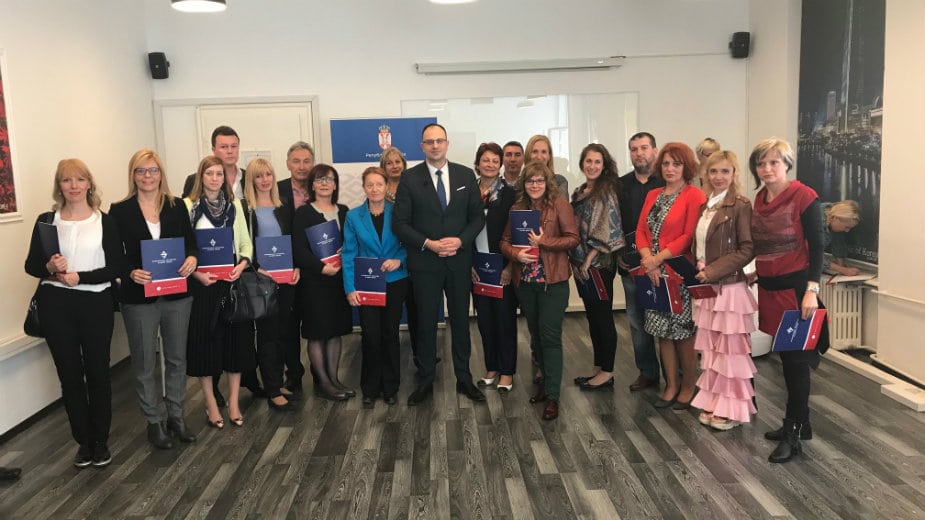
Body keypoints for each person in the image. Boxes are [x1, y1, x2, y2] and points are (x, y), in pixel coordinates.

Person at [24, 159, 123, 468]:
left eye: (80, 179)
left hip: (95, 303)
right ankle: (84, 441)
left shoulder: (104, 221)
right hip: (56, 304)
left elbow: (117, 267)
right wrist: (49, 266)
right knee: (69, 375)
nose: (74, 186)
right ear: (59, 186)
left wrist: (81, 277)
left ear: (89, 183)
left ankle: (101, 440)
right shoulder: (46, 221)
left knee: (97, 372)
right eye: (67, 180)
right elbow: (31, 265)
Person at [110, 149, 199, 449]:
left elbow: (191, 245)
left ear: (161, 174)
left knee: (177, 358)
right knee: (145, 362)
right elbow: (114, 255)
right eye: (141, 171)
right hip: (139, 298)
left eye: (153, 170)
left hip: (177, 294)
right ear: (132, 175)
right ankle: (153, 421)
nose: (147, 176)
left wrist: (192, 259)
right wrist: (129, 272)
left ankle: (176, 416)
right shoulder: (120, 210)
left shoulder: (176, 206)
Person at [393, 123, 486, 406]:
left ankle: (464, 378)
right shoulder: (409, 178)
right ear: (422, 146)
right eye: (429, 142)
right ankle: (425, 380)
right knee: (425, 324)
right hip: (425, 263)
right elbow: (400, 224)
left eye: (439, 141)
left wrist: (460, 241)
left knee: (460, 322)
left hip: (458, 262)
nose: (435, 146)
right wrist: (429, 244)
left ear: (447, 143)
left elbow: (477, 218)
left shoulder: (465, 175)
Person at [749, 137, 830, 463]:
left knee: (796, 365)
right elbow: (764, 245)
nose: (767, 168)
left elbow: (818, 247)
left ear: (786, 164)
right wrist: (754, 273)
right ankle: (802, 423)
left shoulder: (804, 196)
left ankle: (793, 433)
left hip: (796, 293)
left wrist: (812, 290)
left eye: (774, 162)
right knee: (785, 360)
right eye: (761, 163)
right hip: (770, 289)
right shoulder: (759, 199)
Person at [181, 126, 264, 403]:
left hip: (232, 279)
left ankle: (241, 392)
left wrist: (243, 263)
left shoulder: (239, 196)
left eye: (233, 146)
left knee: (238, 341)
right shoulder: (187, 205)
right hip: (203, 283)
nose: (215, 178)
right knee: (207, 340)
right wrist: (197, 273)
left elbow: (245, 240)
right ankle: (212, 396)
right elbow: (185, 243)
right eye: (210, 173)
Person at [501, 162, 579, 420]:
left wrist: (544, 241)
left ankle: (553, 396)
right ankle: (545, 385)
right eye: (530, 181)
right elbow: (504, 241)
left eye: (539, 180)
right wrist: (515, 254)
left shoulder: (560, 205)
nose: (534, 185)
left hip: (552, 282)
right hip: (525, 283)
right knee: (536, 337)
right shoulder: (517, 209)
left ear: (547, 183)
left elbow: (573, 239)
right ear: (524, 184)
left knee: (550, 337)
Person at [687, 150, 758, 431]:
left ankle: (731, 409)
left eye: (725, 171)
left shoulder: (740, 205)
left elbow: (747, 249)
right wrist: (698, 266)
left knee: (730, 353)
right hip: (708, 286)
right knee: (713, 352)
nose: (719, 177)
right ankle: (715, 402)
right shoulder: (705, 205)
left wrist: (713, 270)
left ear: (734, 174)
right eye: (714, 171)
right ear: (706, 173)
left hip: (728, 287)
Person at [636, 142, 707, 410]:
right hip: (652, 274)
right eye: (665, 163)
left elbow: (688, 236)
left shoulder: (694, 195)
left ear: (686, 167)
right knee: (661, 332)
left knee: (682, 333)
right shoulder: (652, 194)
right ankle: (671, 385)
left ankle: (688, 386)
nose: (670, 169)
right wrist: (648, 261)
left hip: (678, 272)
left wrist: (657, 259)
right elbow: (641, 230)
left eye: (676, 164)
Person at [342, 167, 409, 407]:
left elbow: (409, 242)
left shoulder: (398, 212)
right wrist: (350, 288)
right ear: (363, 188)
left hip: (394, 280)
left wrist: (399, 259)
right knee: (370, 336)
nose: (374, 189)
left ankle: (390, 387)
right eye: (369, 185)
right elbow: (349, 253)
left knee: (390, 334)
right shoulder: (353, 216)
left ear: (386, 186)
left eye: (379, 184)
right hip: (367, 283)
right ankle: (370, 388)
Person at [292, 164, 354, 401]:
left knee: (335, 331)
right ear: (312, 185)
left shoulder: (344, 211)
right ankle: (325, 383)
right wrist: (321, 268)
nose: (325, 183)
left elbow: (352, 242)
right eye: (319, 180)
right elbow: (298, 249)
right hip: (314, 282)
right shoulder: (304, 213)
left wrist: (345, 252)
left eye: (329, 179)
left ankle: (335, 379)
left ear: (335, 184)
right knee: (318, 333)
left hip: (339, 281)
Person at [243, 157, 301, 411]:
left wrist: (297, 267)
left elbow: (293, 240)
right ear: (251, 180)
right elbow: (243, 245)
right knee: (267, 335)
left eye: (268, 174)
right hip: (261, 280)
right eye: (258, 176)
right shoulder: (246, 209)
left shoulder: (284, 205)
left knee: (282, 333)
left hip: (286, 280)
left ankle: (277, 381)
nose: (264, 180)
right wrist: (259, 269)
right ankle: (273, 388)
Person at [570, 143, 625, 390]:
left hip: (598, 265)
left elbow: (609, 229)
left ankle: (608, 371)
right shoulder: (580, 191)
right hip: (581, 265)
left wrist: (589, 259)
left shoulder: (606, 192)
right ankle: (598, 366)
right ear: (582, 163)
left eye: (597, 162)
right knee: (592, 317)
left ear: (604, 166)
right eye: (588, 161)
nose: (592, 166)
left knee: (603, 317)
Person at [618, 132, 665, 392]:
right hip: (632, 266)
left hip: (665, 264)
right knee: (637, 322)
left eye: (644, 148)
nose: (639, 153)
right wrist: (619, 255)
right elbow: (615, 224)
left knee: (669, 321)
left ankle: (677, 377)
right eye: (634, 149)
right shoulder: (621, 185)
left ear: (654, 150)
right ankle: (647, 372)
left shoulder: (668, 181)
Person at [471, 143, 518, 392]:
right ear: (478, 163)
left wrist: (510, 266)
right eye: (485, 160)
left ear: (500, 165)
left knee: (504, 319)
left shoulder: (510, 194)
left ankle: (507, 371)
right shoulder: (468, 192)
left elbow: (517, 233)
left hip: (501, 267)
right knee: (484, 319)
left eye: (494, 161)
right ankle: (491, 367)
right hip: (477, 267)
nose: (489, 164)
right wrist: (468, 264)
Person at [380, 146, 423, 368]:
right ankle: (390, 362)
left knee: (417, 311)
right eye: (389, 163)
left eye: (398, 162)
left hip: (413, 257)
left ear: (404, 165)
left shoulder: (413, 187)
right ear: (383, 168)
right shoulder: (378, 192)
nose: (394, 166)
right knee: (390, 318)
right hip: (389, 261)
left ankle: (420, 355)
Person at [823, 200, 861, 276]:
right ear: (835, 218)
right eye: (846, 227)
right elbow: (811, 256)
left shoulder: (834, 216)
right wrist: (843, 270)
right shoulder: (816, 220)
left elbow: (838, 243)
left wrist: (840, 264)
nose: (847, 231)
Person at [524, 134, 569, 199]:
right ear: (528, 154)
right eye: (534, 151)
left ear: (549, 156)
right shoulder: (519, 183)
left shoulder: (559, 182)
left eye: (543, 152)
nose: (539, 157)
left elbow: (562, 205)